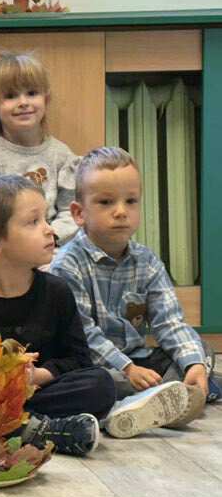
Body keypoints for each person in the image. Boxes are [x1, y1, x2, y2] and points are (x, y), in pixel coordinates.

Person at [0, 175, 116, 456]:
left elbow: (79, 360)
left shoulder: (56, 291)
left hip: (38, 393)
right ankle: (38, 429)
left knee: (99, 384)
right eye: (33, 222)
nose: (49, 229)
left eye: (46, 219)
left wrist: (35, 376)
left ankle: (15, 426)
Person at [51, 147, 216, 438]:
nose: (120, 211)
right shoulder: (67, 265)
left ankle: (174, 395)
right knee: (96, 385)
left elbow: (170, 322)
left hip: (141, 361)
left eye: (130, 201)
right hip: (96, 366)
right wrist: (127, 369)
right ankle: (147, 403)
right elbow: (84, 335)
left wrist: (193, 363)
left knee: (200, 351)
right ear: (78, 213)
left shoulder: (147, 261)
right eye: (106, 202)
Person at [0, 51, 79, 246]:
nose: (23, 103)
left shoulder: (62, 155)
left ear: (46, 100)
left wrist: (49, 238)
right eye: (11, 96)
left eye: (31, 93)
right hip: (7, 247)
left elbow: (70, 211)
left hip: (52, 246)